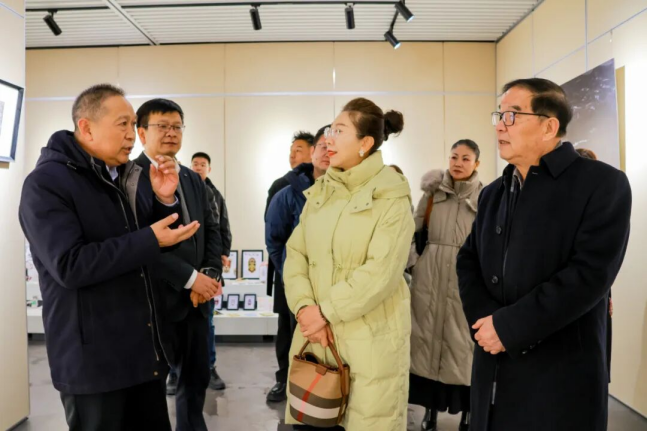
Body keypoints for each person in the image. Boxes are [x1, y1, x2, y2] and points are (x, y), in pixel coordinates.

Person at [18, 84, 201, 431]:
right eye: (123, 124)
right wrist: (149, 239)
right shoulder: (46, 184)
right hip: (94, 364)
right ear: (86, 127)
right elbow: (69, 265)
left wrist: (164, 201)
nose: (132, 135)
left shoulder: (124, 176)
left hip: (143, 354)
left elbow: (147, 245)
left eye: (133, 124)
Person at [457, 78, 632, 431]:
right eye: (499, 115)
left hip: (560, 374)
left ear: (549, 126)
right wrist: (485, 324)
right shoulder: (493, 192)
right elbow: (468, 260)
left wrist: (508, 327)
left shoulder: (602, 184)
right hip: (492, 366)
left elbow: (589, 276)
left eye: (512, 115)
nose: (500, 126)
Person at [284, 98, 415, 430]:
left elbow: (382, 272)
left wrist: (324, 312)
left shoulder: (391, 195)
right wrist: (304, 308)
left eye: (339, 131)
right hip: (315, 336)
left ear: (365, 143)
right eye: (330, 130)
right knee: (312, 420)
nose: (328, 139)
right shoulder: (321, 192)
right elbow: (296, 254)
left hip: (369, 340)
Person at [135, 98, 223, 431]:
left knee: (195, 380)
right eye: (162, 126)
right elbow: (140, 244)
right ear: (142, 133)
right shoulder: (130, 177)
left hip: (197, 303)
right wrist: (190, 278)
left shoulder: (192, 178)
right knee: (151, 388)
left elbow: (211, 230)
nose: (171, 133)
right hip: (155, 303)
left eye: (177, 127)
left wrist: (209, 276)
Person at [408, 140, 483, 431]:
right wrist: (416, 263)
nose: (458, 163)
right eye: (454, 157)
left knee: (462, 347)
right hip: (429, 278)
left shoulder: (485, 197)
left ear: (476, 164)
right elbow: (412, 231)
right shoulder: (432, 194)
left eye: (466, 158)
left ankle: (467, 415)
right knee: (427, 343)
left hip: (465, 280)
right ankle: (430, 412)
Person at [265, 130, 315, 402]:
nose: (292, 155)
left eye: (298, 149)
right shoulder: (281, 186)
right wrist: (286, 271)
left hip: (320, 276)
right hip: (287, 273)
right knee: (287, 328)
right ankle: (283, 379)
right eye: (291, 150)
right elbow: (273, 233)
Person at [191, 151, 232, 391]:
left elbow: (223, 226)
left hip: (209, 265)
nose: (198, 167)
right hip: (185, 267)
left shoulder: (216, 195)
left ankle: (210, 367)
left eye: (203, 164)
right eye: (195, 163)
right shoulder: (180, 189)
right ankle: (175, 372)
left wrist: (223, 252)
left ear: (209, 169)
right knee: (177, 321)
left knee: (207, 320)